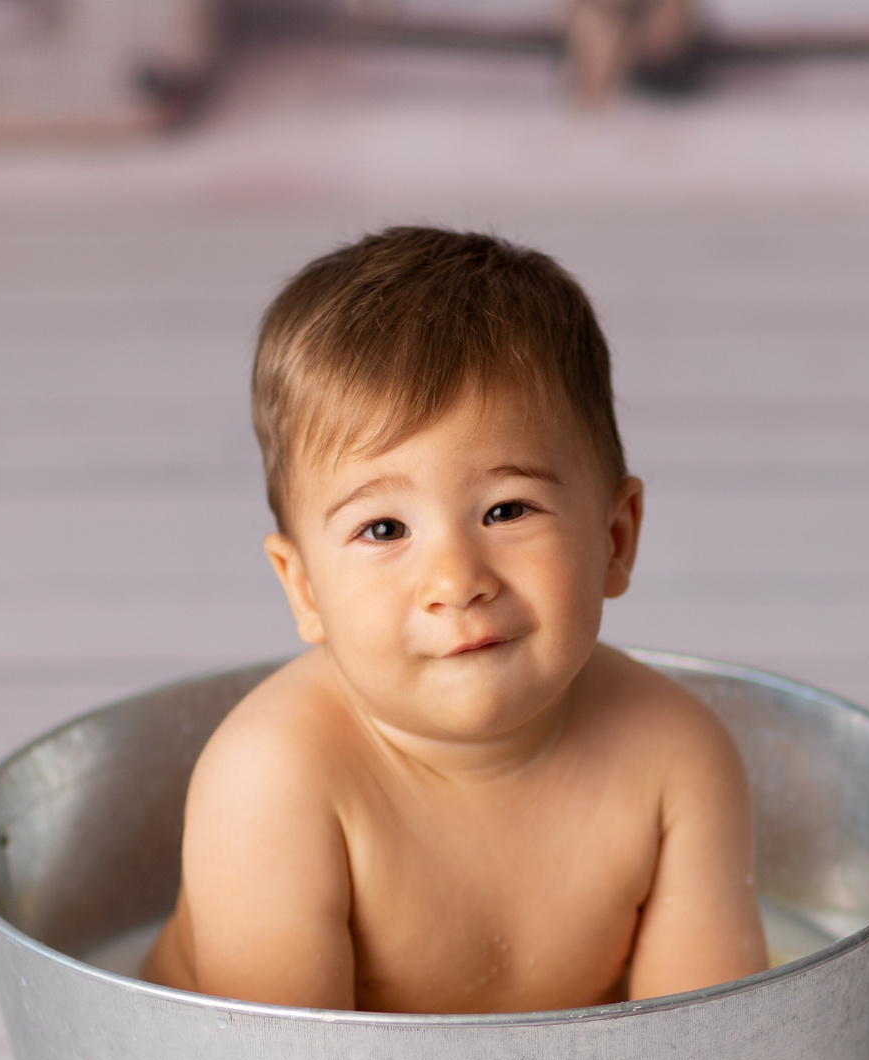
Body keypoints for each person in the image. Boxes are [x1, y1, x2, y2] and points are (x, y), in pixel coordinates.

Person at [140, 227, 769, 1014]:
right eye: (384, 529)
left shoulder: (677, 760)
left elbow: (709, 1051)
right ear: (303, 588)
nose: (456, 581)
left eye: (506, 510)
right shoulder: (275, 778)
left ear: (615, 537)